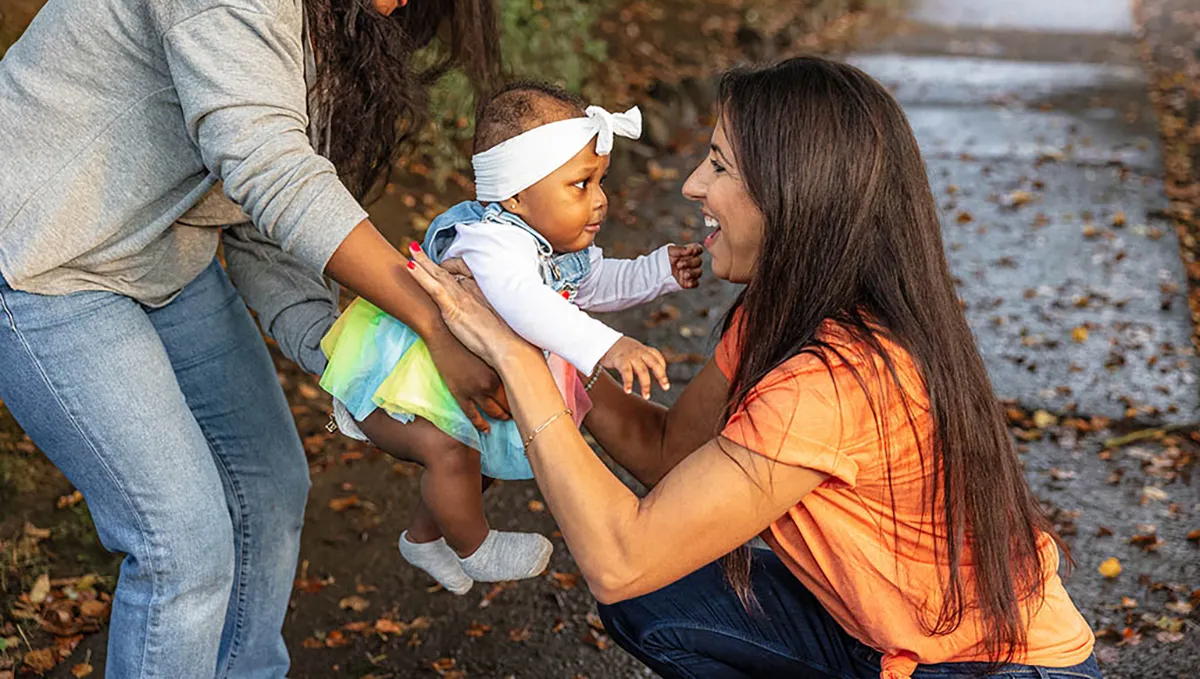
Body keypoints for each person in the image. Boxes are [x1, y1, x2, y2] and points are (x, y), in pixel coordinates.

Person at [404, 57, 1102, 679]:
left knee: (637, 572)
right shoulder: (778, 310)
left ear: (792, 195)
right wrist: (551, 342)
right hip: (881, 628)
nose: (689, 186)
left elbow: (619, 559)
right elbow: (671, 455)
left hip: (988, 664)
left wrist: (520, 357)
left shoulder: (835, 374)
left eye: (718, 165)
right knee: (660, 598)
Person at [0, 0, 503, 676]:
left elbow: (263, 235)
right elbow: (271, 169)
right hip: (43, 260)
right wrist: (438, 320)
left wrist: (379, 374)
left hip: (159, 261)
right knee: (183, 545)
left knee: (267, 486)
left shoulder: (313, 16)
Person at [319, 81, 704, 595]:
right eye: (580, 185)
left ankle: (425, 537)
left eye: (600, 182)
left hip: (460, 379)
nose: (600, 201)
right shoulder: (492, 241)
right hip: (407, 380)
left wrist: (659, 270)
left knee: (480, 457)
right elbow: (528, 302)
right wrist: (607, 346)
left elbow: (593, 284)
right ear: (517, 195)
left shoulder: (551, 243)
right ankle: (475, 547)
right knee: (450, 454)